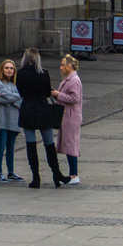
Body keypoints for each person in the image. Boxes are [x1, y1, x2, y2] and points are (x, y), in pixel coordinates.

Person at [15, 47, 67, 189]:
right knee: (49, 144)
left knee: (31, 144)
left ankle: (36, 177)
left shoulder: (20, 74)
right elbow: (47, 92)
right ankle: (57, 174)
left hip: (27, 109)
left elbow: (20, 92)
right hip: (42, 108)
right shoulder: (44, 73)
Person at [0, 58, 24, 182]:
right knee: (1, 146)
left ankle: (11, 172)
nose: (9, 70)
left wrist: (9, 99)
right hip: (3, 118)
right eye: (6, 68)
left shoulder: (17, 83)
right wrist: (15, 98)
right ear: (2, 69)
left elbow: (17, 100)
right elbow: (3, 97)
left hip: (15, 118)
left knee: (11, 147)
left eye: (11, 68)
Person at [54, 55, 83, 186]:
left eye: (62, 64)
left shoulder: (74, 80)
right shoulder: (67, 79)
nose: (61, 67)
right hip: (66, 115)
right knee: (68, 144)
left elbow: (74, 98)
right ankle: (73, 173)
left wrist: (58, 95)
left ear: (69, 65)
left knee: (71, 145)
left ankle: (74, 174)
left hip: (71, 117)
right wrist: (56, 95)